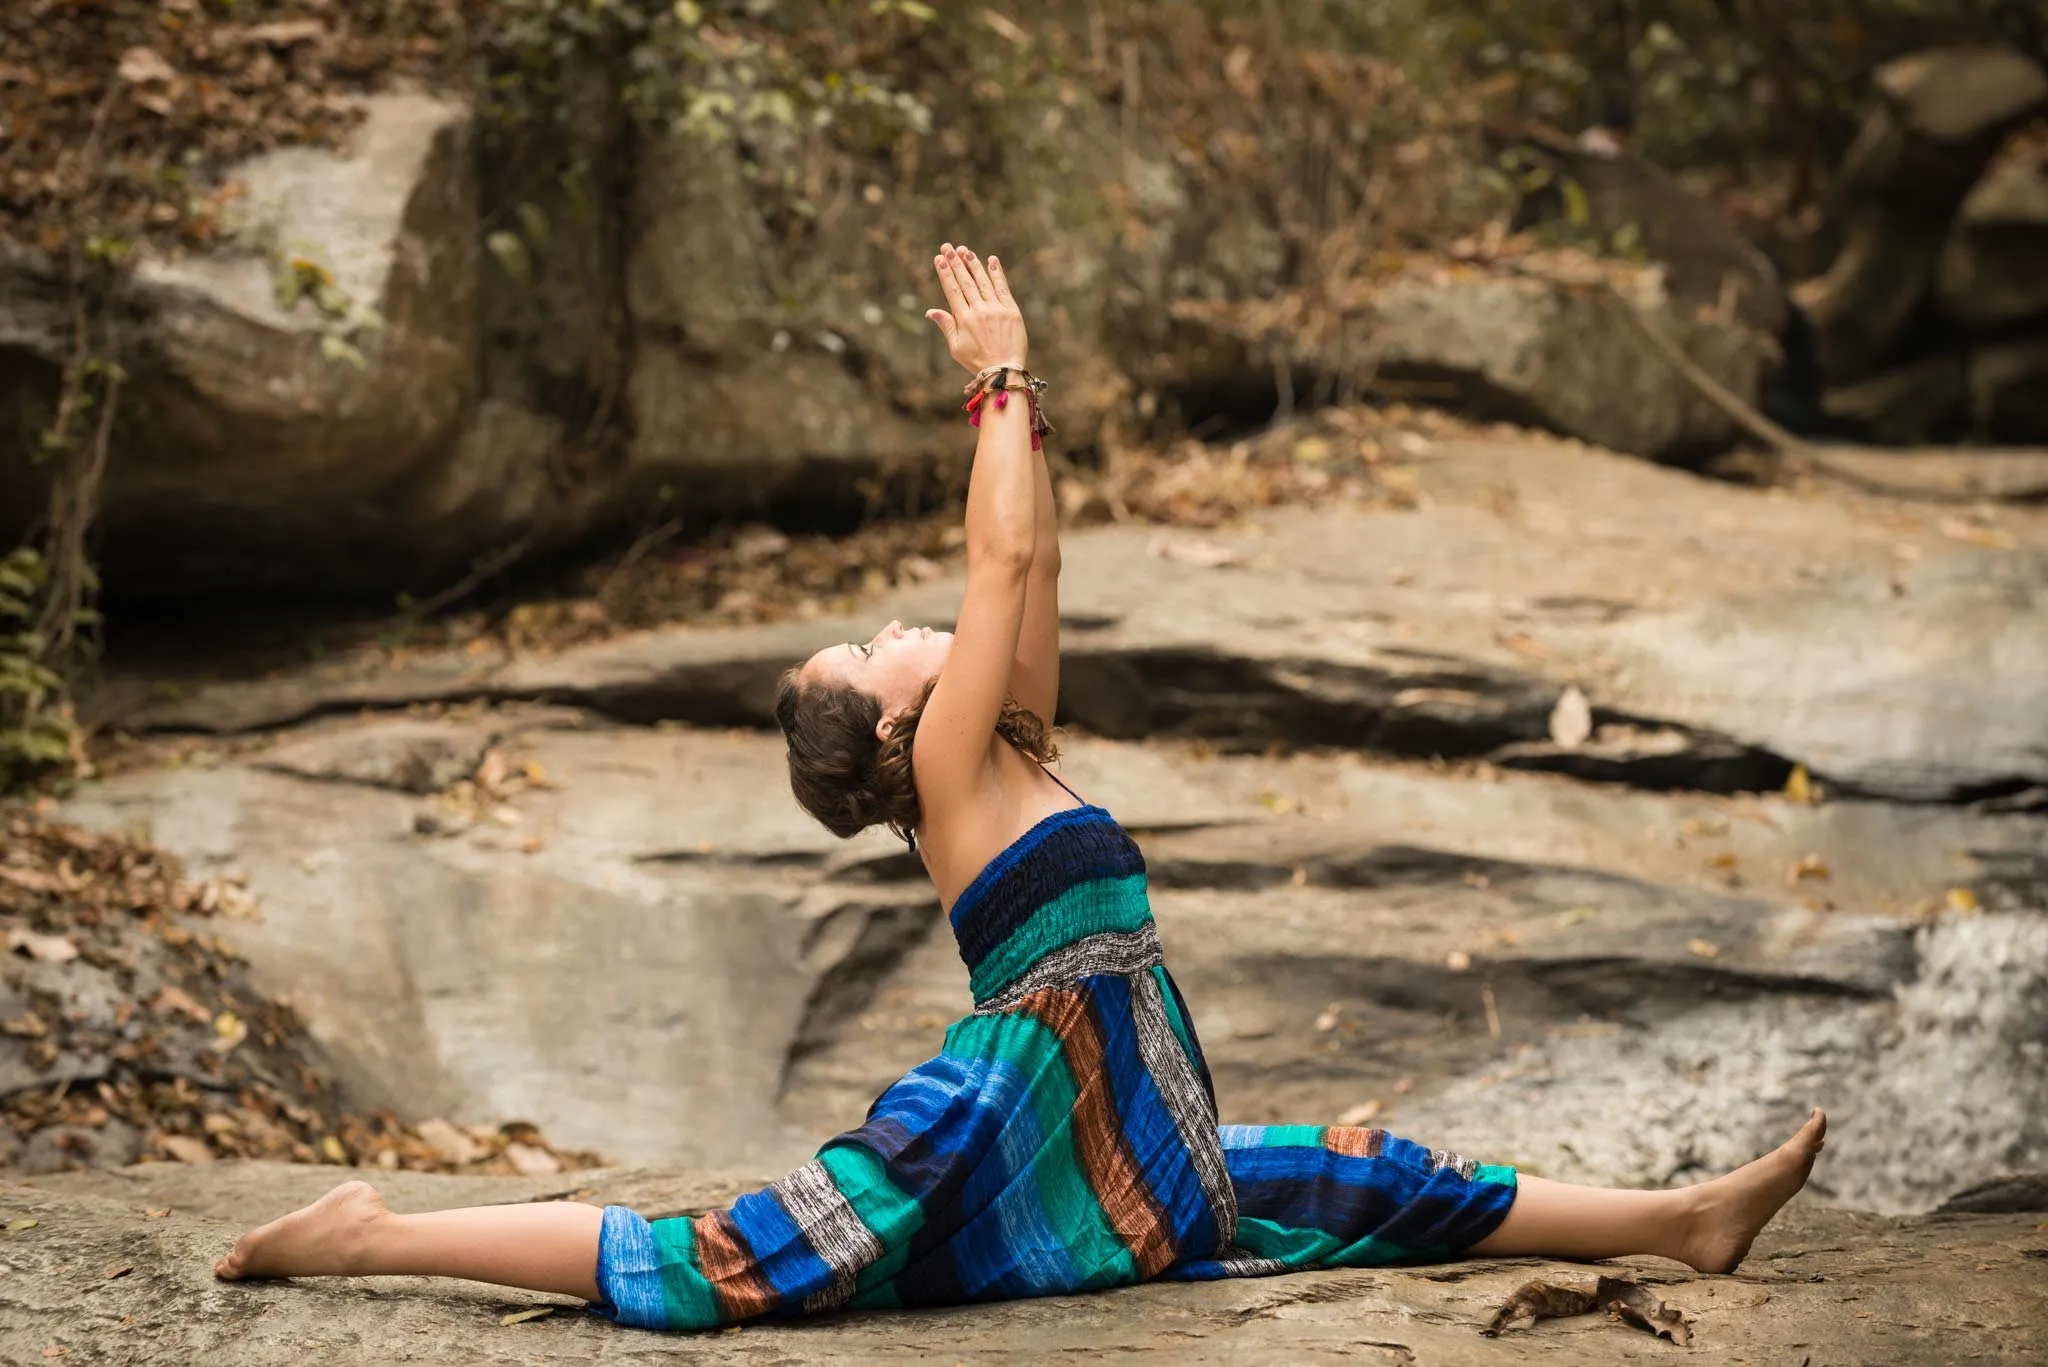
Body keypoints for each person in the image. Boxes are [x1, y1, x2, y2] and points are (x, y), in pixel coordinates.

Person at [214, 244, 1829, 1327]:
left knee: (1357, 1171)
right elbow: (987, 553)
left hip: (1128, 1088)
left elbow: (1028, 555)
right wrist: (997, 377)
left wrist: (1025, 408)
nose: (900, 623)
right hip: (1023, 1094)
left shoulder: (997, 743)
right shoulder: (946, 766)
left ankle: (1679, 1215)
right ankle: (373, 1233)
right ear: (895, 730)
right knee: (736, 1256)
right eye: (876, 647)